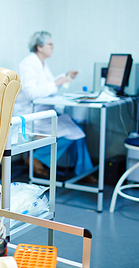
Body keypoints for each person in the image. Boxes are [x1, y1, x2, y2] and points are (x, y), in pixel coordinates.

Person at [13, 31, 93, 178]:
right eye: (50, 44)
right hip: (32, 116)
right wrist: (57, 82)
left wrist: (64, 77)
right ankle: (37, 158)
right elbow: (31, 92)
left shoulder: (41, 63)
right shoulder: (28, 64)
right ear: (39, 47)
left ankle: (84, 171)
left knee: (76, 128)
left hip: (44, 113)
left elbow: (46, 86)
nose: (53, 47)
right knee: (72, 130)